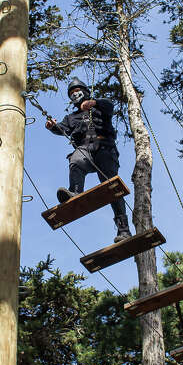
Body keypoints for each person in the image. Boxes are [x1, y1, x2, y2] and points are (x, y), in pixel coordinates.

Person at [45, 78, 133, 242]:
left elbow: (109, 105)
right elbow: (61, 129)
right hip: (85, 148)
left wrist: (94, 103)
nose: (75, 94)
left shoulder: (99, 107)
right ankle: (75, 192)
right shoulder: (71, 118)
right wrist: (52, 126)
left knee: (111, 187)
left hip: (104, 148)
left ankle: (124, 229)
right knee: (76, 159)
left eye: (77, 91)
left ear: (85, 91)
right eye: (71, 93)